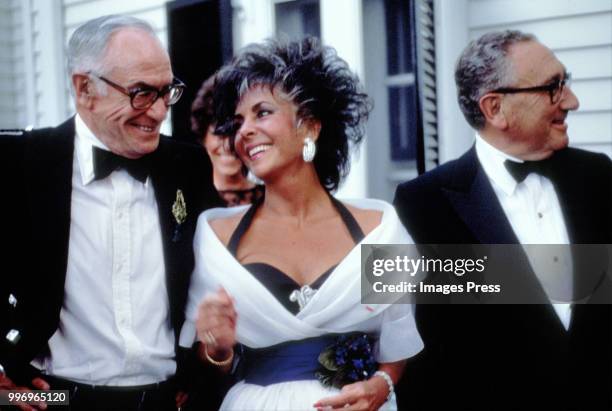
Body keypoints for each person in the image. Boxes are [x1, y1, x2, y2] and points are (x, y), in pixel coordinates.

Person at [179, 37, 423, 410]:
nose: (243, 131)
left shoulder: (380, 229)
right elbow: (204, 367)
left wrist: (382, 384)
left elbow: (397, 342)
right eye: (238, 120)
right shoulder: (215, 238)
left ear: (309, 126)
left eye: (261, 113)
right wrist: (217, 349)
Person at [0, 15, 221, 411]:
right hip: (51, 399)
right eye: (140, 93)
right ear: (85, 88)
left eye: (165, 92)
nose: (157, 112)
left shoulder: (189, 167)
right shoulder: (20, 164)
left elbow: (215, 285)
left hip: (164, 401)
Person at [393, 30, 612, 410]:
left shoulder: (599, 178)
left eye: (566, 82)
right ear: (494, 108)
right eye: (553, 88)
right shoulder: (421, 204)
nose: (571, 101)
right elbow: (418, 357)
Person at [191, 74, 264, 206]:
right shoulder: (189, 199)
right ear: (203, 136)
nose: (227, 145)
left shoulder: (270, 199)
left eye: (234, 132)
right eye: (218, 134)